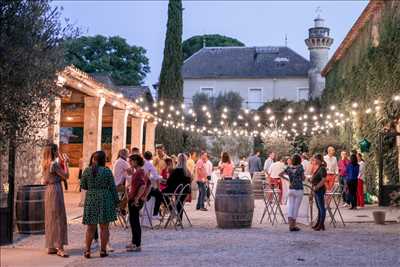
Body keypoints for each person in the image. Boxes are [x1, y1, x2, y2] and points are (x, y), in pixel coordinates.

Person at [81, 151, 118, 258]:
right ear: (103, 160)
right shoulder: (107, 171)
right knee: (104, 227)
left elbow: (83, 186)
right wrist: (117, 201)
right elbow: (112, 188)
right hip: (104, 199)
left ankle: (87, 251)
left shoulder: (87, 171)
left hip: (91, 199)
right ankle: (103, 250)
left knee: (90, 228)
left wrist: (92, 189)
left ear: (93, 159)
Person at [42, 144, 69, 257]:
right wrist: (66, 163)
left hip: (48, 190)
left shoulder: (45, 164)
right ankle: (60, 247)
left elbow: (45, 181)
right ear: (54, 152)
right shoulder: (55, 164)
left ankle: (51, 246)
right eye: (57, 150)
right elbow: (66, 175)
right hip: (56, 190)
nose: (59, 151)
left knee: (50, 218)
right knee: (59, 217)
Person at [127, 154, 148, 252]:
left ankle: (137, 244)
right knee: (133, 221)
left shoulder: (139, 172)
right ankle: (134, 242)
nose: (129, 162)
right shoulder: (139, 172)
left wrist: (137, 198)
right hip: (134, 198)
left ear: (136, 161)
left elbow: (143, 186)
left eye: (131, 160)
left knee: (135, 222)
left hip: (135, 200)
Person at [163, 153, 192, 220]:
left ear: (178, 160)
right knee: (180, 201)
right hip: (185, 191)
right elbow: (189, 181)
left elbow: (169, 182)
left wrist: (163, 181)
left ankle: (171, 210)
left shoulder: (176, 170)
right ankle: (179, 219)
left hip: (177, 190)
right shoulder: (187, 171)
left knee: (161, 193)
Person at [280, 154, 304, 231]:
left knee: (290, 207)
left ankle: (290, 225)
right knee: (296, 208)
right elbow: (303, 178)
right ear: (299, 160)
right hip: (299, 189)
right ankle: (293, 225)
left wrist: (288, 180)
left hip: (291, 189)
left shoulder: (288, 167)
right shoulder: (300, 167)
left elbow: (280, 174)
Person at [143, 151, 163, 217]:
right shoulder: (149, 164)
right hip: (145, 189)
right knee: (159, 194)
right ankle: (155, 213)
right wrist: (159, 188)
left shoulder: (141, 163)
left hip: (138, 187)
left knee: (153, 190)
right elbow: (156, 177)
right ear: (151, 157)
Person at [311, 154, 327, 231]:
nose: (314, 161)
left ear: (319, 159)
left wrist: (317, 187)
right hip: (316, 189)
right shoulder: (319, 168)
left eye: (315, 159)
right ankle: (319, 223)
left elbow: (323, 180)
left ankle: (320, 224)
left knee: (321, 208)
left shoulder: (322, 168)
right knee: (319, 207)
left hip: (319, 189)